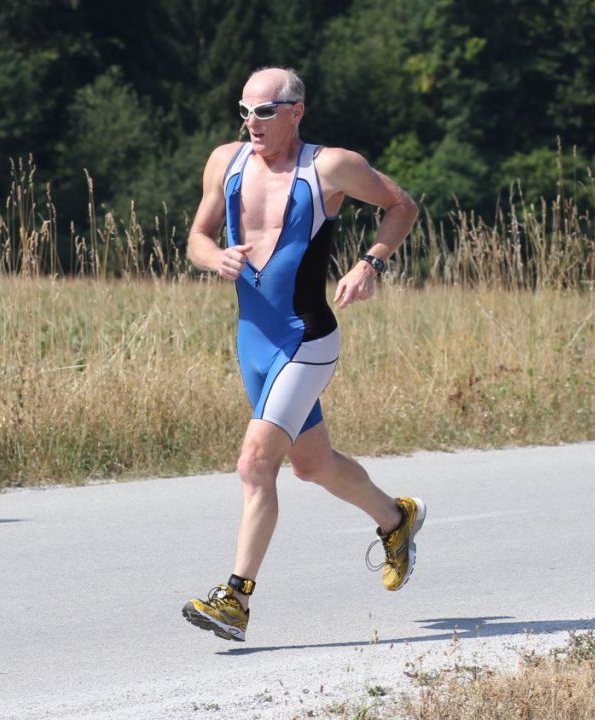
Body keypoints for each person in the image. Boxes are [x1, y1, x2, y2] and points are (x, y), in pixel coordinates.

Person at [181, 67, 426, 642]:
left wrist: (373, 262)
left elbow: (402, 206)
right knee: (312, 464)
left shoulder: (330, 166)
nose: (252, 122)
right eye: (244, 110)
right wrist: (213, 256)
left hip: (306, 339)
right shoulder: (226, 161)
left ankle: (235, 598)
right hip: (253, 344)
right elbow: (196, 237)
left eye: (265, 111)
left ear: (296, 111)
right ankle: (396, 518)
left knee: (255, 464)